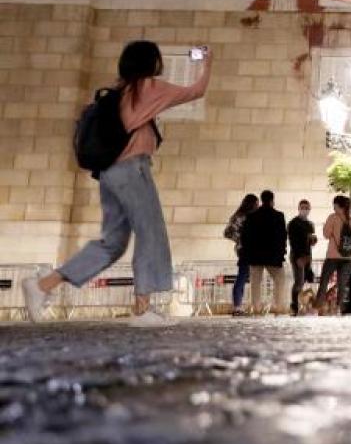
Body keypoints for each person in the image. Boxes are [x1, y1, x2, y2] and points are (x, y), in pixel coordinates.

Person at [21, 41, 212, 327]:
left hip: (110, 174)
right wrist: (207, 62)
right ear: (152, 63)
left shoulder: (120, 92)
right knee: (151, 233)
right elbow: (196, 91)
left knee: (112, 243)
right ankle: (141, 309)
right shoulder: (149, 88)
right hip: (133, 170)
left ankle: (43, 285)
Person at [241, 190, 287, 316]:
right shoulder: (279, 216)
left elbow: (245, 236)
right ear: (272, 200)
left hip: (255, 255)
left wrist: (248, 252)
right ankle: (277, 305)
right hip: (273, 255)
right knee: (280, 279)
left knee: (255, 282)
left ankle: (256, 307)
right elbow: (282, 236)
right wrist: (282, 253)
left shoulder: (252, 216)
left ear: (261, 200)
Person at [315, 195, 351, 314]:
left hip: (333, 255)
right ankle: (339, 307)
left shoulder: (333, 217)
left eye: (334, 205)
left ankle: (318, 307)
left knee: (324, 281)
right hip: (348, 256)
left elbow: (326, 234)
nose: (333, 207)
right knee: (342, 283)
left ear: (338, 205)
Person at [224, 194, 259, 316]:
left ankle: (239, 305)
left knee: (244, 277)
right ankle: (237, 306)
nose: (257, 205)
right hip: (245, 250)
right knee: (242, 276)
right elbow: (228, 232)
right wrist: (242, 239)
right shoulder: (240, 217)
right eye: (256, 203)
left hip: (252, 250)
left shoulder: (252, 216)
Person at [287, 199, 317, 316]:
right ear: (298, 209)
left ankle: (303, 305)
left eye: (306, 208)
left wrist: (313, 241)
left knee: (306, 279)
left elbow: (311, 240)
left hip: (308, 255)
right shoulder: (293, 223)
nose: (304, 210)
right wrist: (299, 257)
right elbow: (293, 242)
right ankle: (294, 306)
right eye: (302, 207)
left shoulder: (310, 224)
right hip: (297, 255)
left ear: (309, 209)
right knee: (299, 281)